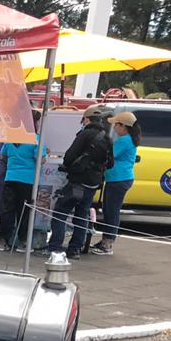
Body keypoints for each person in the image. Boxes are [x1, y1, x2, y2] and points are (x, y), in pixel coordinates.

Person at [47, 105, 113, 259]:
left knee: (60, 212)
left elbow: (69, 156)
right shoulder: (107, 138)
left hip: (77, 181)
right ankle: (75, 249)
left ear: (87, 119)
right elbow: (111, 163)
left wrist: (71, 165)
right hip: (93, 183)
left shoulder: (85, 134)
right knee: (82, 215)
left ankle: (55, 248)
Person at [91, 111, 140, 256]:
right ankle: (106, 239)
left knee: (111, 211)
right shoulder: (128, 139)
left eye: (116, 125)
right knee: (109, 210)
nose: (115, 128)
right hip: (118, 178)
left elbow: (109, 154)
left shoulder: (124, 140)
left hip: (118, 179)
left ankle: (108, 243)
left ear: (123, 126)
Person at [0, 115, 42, 252]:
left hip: (10, 177)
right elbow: (39, 159)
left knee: (7, 210)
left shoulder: (11, 138)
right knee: (24, 212)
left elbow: (2, 156)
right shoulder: (35, 139)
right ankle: (23, 243)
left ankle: (2, 242)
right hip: (28, 180)